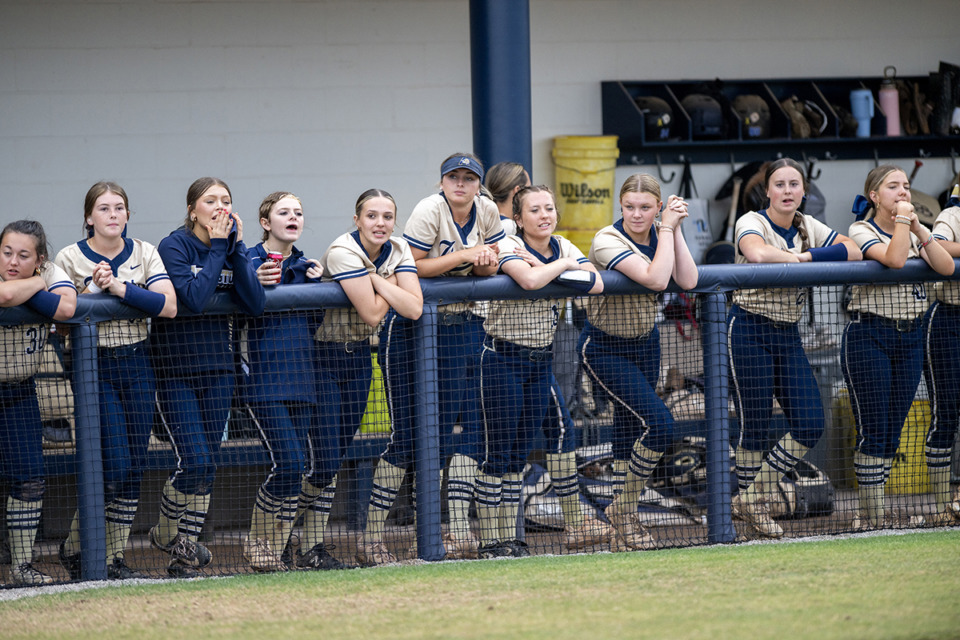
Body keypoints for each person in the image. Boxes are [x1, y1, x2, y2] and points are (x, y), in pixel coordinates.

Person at [372, 153, 504, 561]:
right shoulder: (430, 209)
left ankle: (441, 533)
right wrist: (466, 256)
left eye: (469, 178)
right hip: (415, 327)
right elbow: (410, 266)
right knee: (410, 436)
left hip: (464, 326)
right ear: (442, 182)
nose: (461, 184)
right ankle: (373, 536)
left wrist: (483, 261)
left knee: (456, 433)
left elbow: (489, 272)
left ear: (479, 184)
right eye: (453, 177)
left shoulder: (488, 210)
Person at [727, 158, 862, 538]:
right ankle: (753, 509)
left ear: (803, 191)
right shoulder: (751, 221)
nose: (787, 191)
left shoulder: (808, 225)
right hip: (749, 327)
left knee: (809, 422)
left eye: (794, 184)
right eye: (780, 184)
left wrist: (808, 256)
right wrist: (801, 259)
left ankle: (751, 497)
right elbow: (756, 253)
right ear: (767, 191)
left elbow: (853, 250)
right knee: (753, 424)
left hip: (788, 333)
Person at [55, 182, 177, 580]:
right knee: (112, 463)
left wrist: (118, 287)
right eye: (103, 208)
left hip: (138, 361)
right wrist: (92, 286)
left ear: (128, 215)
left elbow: (167, 305)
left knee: (134, 465)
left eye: (119, 208)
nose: (112, 214)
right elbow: (63, 315)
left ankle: (111, 557)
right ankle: (77, 547)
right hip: (93, 365)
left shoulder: (144, 251)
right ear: (89, 216)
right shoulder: (69, 256)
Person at [486, 162, 610, 551]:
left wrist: (551, 265)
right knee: (500, 451)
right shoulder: (507, 243)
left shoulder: (564, 245)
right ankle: (495, 539)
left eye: (549, 209)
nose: (544, 216)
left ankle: (514, 539)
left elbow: (595, 282)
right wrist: (558, 268)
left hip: (540, 361)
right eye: (534, 210)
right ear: (518, 218)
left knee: (522, 450)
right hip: (501, 357)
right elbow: (527, 280)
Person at [298, 189, 421, 567]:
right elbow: (371, 313)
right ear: (357, 220)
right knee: (324, 458)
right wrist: (392, 285)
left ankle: (308, 546)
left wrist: (377, 281)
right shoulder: (342, 251)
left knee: (335, 458)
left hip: (360, 360)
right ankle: (289, 532)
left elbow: (414, 308)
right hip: (323, 355)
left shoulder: (398, 248)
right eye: (371, 216)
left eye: (387, 216)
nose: (380, 223)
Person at [150, 177, 266, 577]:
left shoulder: (232, 248)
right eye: (210, 200)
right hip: (176, 371)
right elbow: (195, 300)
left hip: (219, 371)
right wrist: (218, 247)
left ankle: (183, 556)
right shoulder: (174, 246)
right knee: (194, 459)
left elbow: (254, 303)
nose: (220, 207)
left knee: (209, 463)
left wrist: (234, 252)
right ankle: (166, 535)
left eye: (227, 200)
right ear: (192, 209)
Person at [578, 173, 698, 551]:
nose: (636, 214)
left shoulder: (663, 231)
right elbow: (656, 278)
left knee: (630, 429)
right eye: (629, 207)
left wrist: (674, 229)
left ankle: (623, 522)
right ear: (621, 206)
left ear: (658, 207)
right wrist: (666, 229)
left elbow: (688, 280)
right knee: (660, 425)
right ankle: (624, 508)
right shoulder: (607, 238)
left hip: (645, 342)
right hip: (603, 346)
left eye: (646, 208)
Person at [842, 164, 953, 530]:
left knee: (893, 428)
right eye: (893, 187)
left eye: (905, 186)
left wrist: (920, 227)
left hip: (910, 335)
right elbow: (893, 258)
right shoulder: (862, 228)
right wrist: (905, 224)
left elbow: (945, 267)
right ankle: (870, 515)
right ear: (875, 195)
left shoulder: (912, 228)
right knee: (874, 427)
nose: (903, 192)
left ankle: (875, 510)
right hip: (869, 333)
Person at [240, 191, 325, 572]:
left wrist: (320, 288)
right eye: (284, 212)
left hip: (303, 382)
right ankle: (256, 541)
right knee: (288, 463)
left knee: (301, 465)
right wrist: (251, 281)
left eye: (299, 212)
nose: (293, 217)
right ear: (265, 221)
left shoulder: (308, 266)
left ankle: (275, 551)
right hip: (265, 384)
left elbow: (313, 324)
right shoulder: (248, 260)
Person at [0, 220, 76, 584]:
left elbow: (65, 310)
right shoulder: (38, 277)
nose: (12, 261)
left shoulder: (52, 269)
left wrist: (37, 284)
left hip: (19, 391)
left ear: (40, 257)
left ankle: (21, 566)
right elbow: (3, 296)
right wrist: (34, 284)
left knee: (29, 479)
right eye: (6, 252)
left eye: (24, 255)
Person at [923, 188, 960, 525]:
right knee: (947, 411)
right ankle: (941, 506)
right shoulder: (952, 214)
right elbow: (939, 246)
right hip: (950, 317)